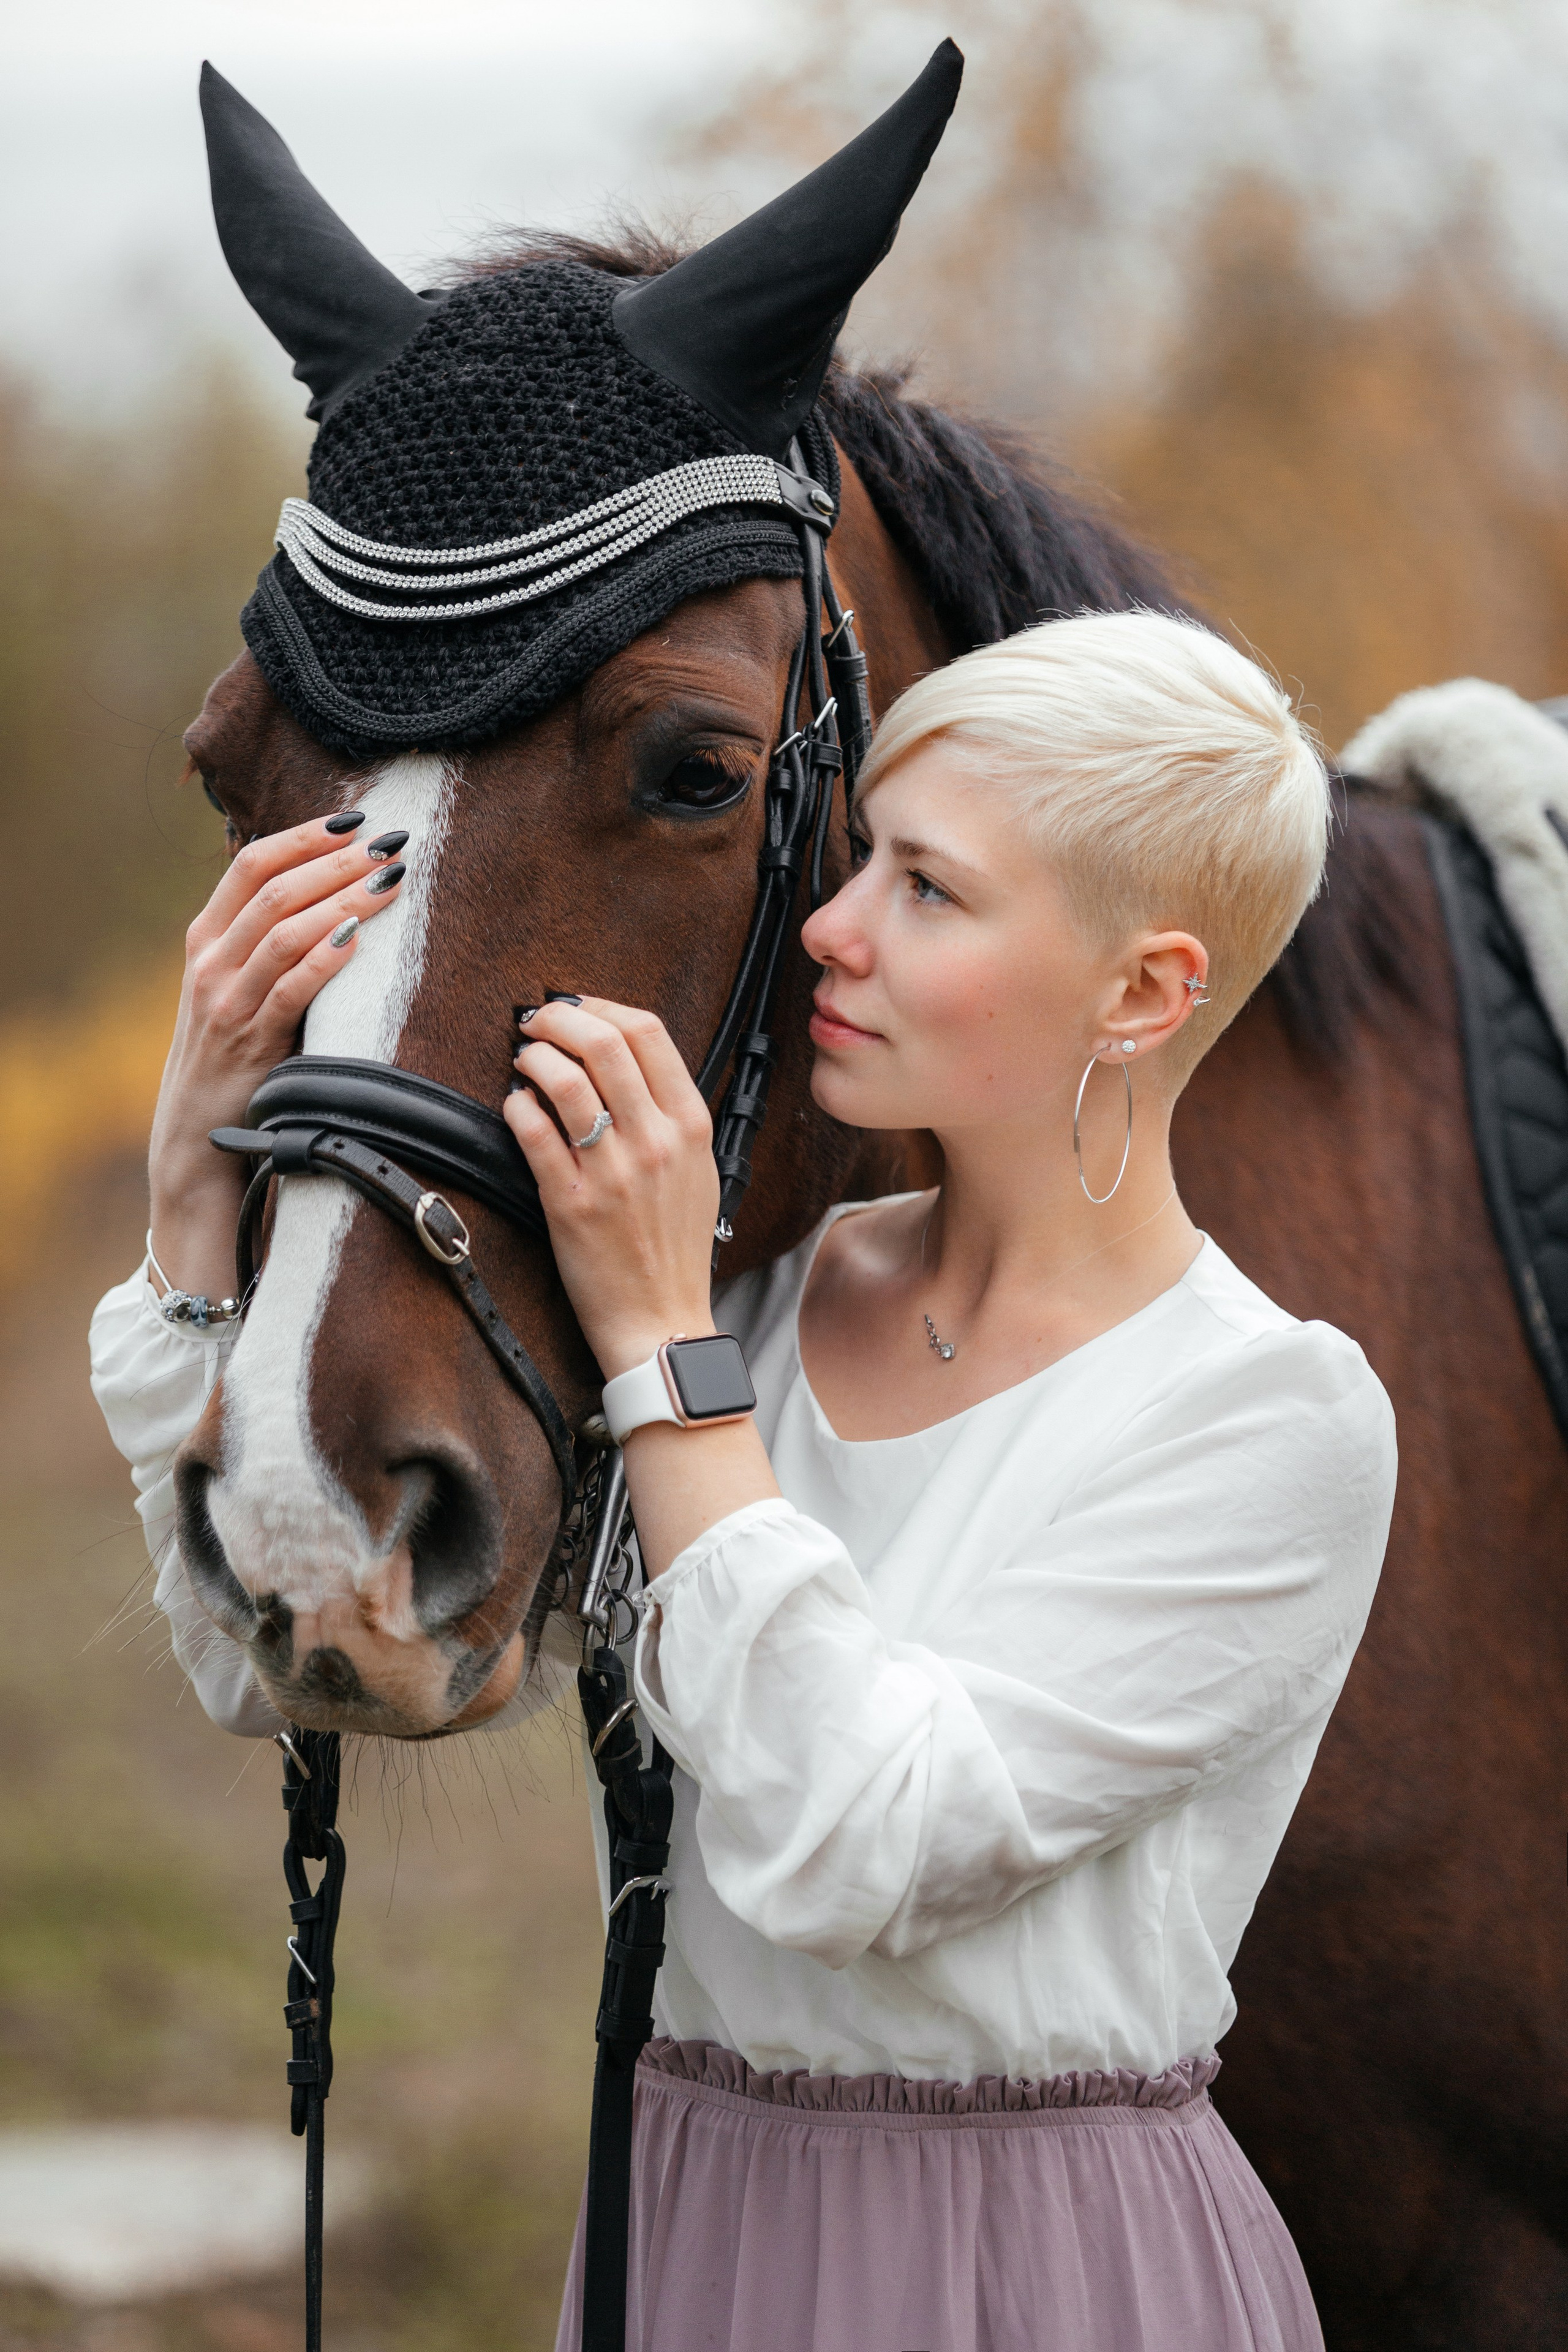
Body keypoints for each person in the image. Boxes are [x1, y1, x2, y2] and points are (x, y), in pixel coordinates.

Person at [91, 609, 1395, 2351]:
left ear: (1145, 988)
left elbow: (869, 1845)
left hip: (1038, 2267)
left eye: (926, 893)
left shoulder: (1269, 1417)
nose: (829, 931)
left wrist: (663, 1355)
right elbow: (288, 1654)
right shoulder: (748, 1308)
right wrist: (194, 1196)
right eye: (856, 860)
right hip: (689, 2225)